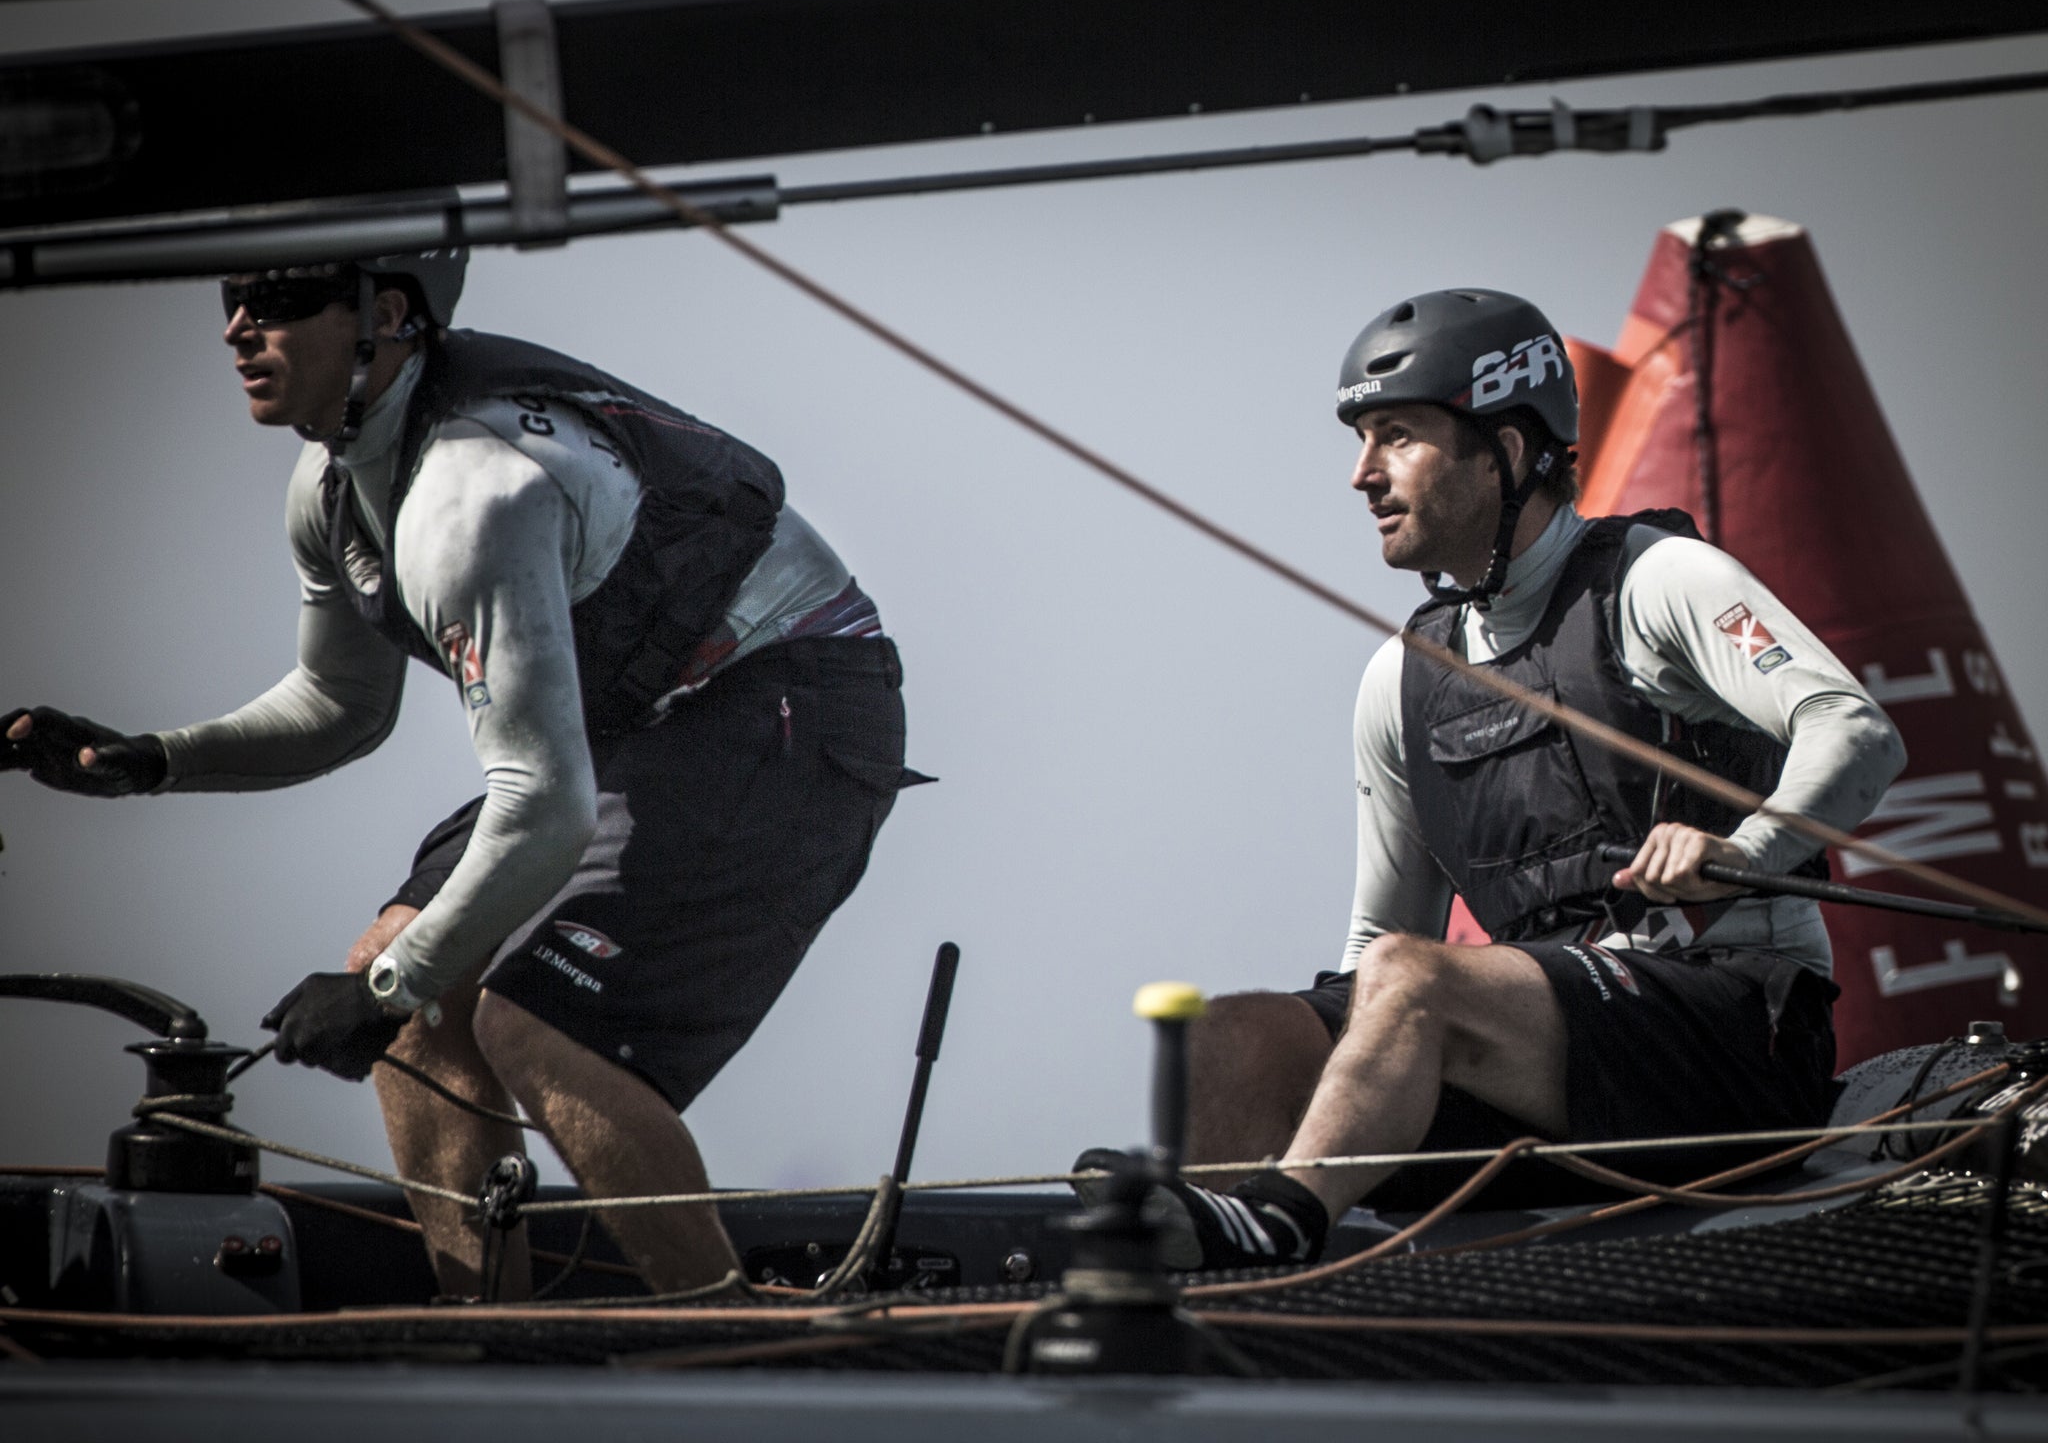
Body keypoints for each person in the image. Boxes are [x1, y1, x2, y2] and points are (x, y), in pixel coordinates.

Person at [3, 244, 925, 1296]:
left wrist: (384, 991)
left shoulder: (469, 496)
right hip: (646, 728)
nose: (237, 327)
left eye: (279, 299)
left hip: (789, 700)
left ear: (384, 317)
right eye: (231, 297)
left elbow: (542, 804)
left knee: (526, 1021)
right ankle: (487, 1332)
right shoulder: (335, 485)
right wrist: (153, 760)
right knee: (403, 964)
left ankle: (740, 1344)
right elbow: (339, 709)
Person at [1082, 288, 1905, 1271]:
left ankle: (1280, 1225)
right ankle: (1211, 1288)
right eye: (1358, 439)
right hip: (1544, 1058)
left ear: (1505, 453)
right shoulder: (1400, 679)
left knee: (1411, 980)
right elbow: (1377, 942)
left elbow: (1854, 733)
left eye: (1395, 436)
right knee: (1233, 1032)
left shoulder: (1658, 579)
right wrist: (1321, 1043)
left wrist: (1744, 849)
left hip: (1731, 1042)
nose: (1359, 475)